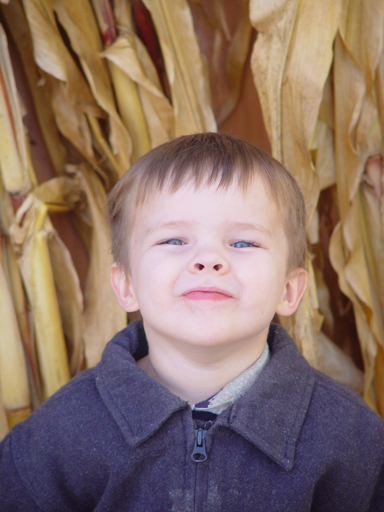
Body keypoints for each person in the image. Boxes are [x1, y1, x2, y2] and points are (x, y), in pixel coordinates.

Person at [0, 133, 383, 512]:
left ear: (289, 290)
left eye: (243, 243)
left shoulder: (351, 441)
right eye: (174, 241)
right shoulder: (61, 435)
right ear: (126, 285)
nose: (208, 259)